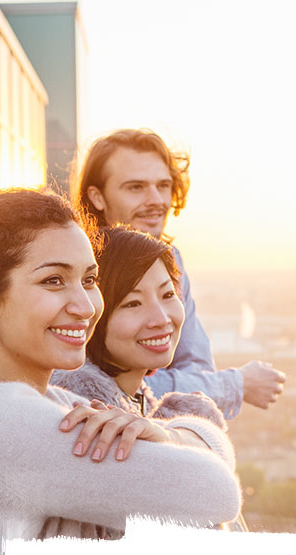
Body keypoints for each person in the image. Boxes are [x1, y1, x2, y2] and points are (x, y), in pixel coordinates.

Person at [0, 189, 241, 555]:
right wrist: (181, 438)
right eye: (54, 281)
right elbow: (217, 493)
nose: (86, 306)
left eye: (89, 279)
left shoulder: (47, 401)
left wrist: (166, 435)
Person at [74, 128, 285, 419]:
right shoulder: (77, 270)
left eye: (163, 185)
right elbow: (91, 383)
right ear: (97, 197)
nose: (156, 199)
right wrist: (234, 384)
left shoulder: (172, 260)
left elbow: (196, 368)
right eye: (136, 187)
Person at [52, 226, 225, 429]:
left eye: (168, 295)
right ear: (93, 310)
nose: (161, 319)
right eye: (133, 303)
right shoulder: (83, 409)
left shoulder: (133, 396)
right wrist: (198, 425)